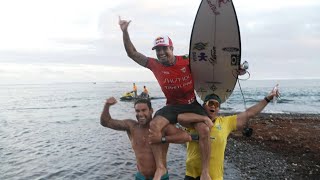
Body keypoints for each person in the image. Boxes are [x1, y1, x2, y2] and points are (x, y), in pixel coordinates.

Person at [119, 16, 213, 180]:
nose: (161, 53)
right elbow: (132, 53)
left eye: (164, 49)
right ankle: (161, 168)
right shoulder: (155, 65)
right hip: (172, 106)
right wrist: (125, 31)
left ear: (172, 48)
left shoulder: (186, 60)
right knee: (154, 124)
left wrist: (235, 70)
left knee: (205, 129)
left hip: (191, 104)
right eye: (157, 50)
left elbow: (213, 65)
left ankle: (205, 171)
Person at [182, 87, 280, 180]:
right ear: (204, 106)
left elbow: (249, 113)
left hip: (214, 176)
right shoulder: (193, 121)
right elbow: (180, 116)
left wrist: (268, 98)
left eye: (216, 105)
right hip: (191, 175)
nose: (213, 106)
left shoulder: (226, 122)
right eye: (210, 103)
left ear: (218, 109)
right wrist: (203, 118)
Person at [100, 97, 192, 180]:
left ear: (151, 110)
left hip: (160, 177)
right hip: (141, 177)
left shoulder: (162, 127)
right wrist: (107, 105)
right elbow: (106, 122)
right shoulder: (131, 126)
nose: (140, 114)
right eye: (137, 111)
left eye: (144, 110)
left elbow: (186, 137)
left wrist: (162, 139)